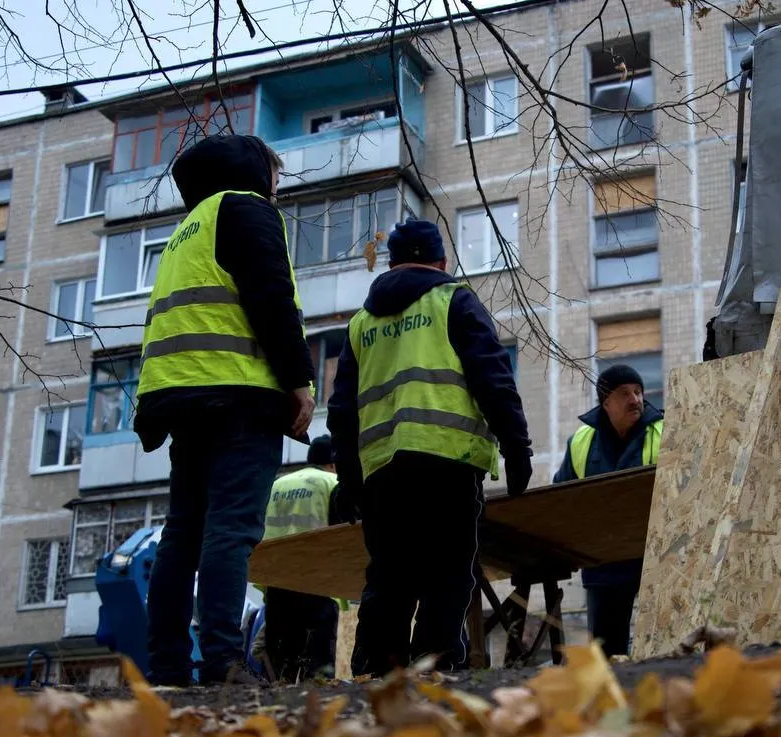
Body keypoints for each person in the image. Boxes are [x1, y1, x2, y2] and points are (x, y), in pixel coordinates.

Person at [135, 134, 317, 687]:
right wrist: (299, 380)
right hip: (237, 396)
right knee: (231, 531)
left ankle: (166, 666)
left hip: (182, 398)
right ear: (254, 173)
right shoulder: (246, 209)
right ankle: (221, 660)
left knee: (182, 535)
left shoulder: (183, 233)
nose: (277, 188)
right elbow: (270, 297)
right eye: (275, 175)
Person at [328, 218, 533, 678]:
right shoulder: (454, 301)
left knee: (390, 573)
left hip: (382, 470)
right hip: (447, 460)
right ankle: (435, 665)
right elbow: (493, 378)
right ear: (441, 262)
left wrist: (348, 478)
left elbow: (342, 410)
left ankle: (379, 669)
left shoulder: (362, 324)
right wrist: (517, 447)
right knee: (448, 569)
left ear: (392, 262)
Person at [553, 364, 664, 657]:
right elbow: (562, 497)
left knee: (664, 649)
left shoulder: (666, 431)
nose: (636, 399)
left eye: (639, 392)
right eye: (625, 393)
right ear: (606, 402)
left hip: (657, 555)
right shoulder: (581, 441)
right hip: (603, 561)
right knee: (605, 651)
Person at [256, 435, 353, 682]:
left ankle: (279, 710)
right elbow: (342, 528)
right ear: (333, 463)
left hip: (278, 581)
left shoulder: (277, 484)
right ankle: (314, 710)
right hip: (316, 582)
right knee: (317, 663)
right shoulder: (332, 481)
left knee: (281, 660)